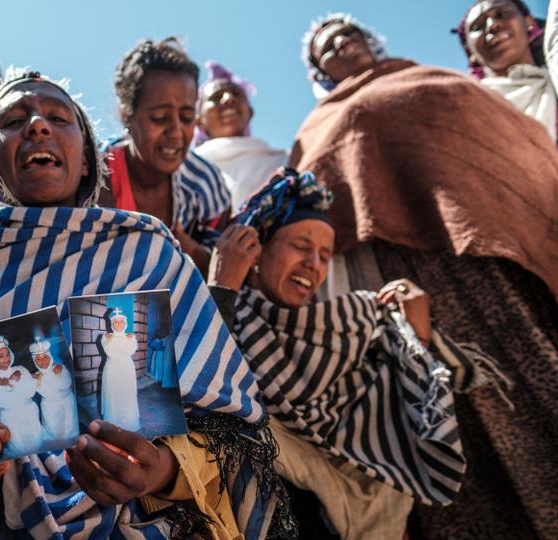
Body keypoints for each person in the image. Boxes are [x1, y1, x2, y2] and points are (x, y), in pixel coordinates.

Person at [0, 70, 293, 540]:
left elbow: (228, 430)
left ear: (87, 161)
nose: (38, 125)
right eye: (12, 121)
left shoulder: (148, 249)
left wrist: (161, 470)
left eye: (59, 118)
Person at [294, 14, 558, 539]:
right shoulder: (314, 128)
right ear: (320, 70)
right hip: (391, 285)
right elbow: (314, 214)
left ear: (370, 41)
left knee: (524, 383)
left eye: (348, 35)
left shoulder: (432, 79)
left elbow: (508, 140)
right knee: (440, 413)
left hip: (480, 258)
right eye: (328, 47)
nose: (342, 44)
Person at [210, 169, 507, 539]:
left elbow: (408, 412)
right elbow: (202, 398)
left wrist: (418, 337)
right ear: (257, 249)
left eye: (325, 255)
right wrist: (222, 287)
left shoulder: (348, 327)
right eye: (301, 245)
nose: (314, 264)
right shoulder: (219, 317)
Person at [99, 38, 231, 276]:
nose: (176, 132)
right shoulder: (94, 178)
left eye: (187, 117)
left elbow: (225, 270)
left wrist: (194, 254)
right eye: (160, 117)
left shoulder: (205, 184)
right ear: (126, 115)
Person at [455, 0, 557, 140]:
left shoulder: (553, 80)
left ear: (529, 23)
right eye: (477, 27)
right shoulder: (461, 107)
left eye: (503, 14)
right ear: (469, 51)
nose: (492, 25)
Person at [193, 61, 288, 207]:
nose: (229, 99)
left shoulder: (285, 161)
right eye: (216, 97)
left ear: (250, 112)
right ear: (199, 121)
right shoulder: (184, 168)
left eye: (236, 94)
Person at [0, 335, 43, 457]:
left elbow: (31, 390)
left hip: (29, 412)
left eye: (7, 354)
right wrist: (14, 382)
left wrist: (9, 383)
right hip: (9, 418)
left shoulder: (20, 369)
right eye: (1, 356)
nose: (6, 358)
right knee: (19, 450)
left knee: (38, 445)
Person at [98, 308, 141, 432]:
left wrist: (128, 339)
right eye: (115, 322)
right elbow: (110, 353)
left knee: (126, 394)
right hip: (111, 370)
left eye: (121, 321)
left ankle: (129, 423)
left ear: (125, 323)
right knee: (112, 395)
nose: (118, 324)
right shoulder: (105, 337)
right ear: (112, 323)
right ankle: (112, 424)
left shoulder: (131, 337)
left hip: (126, 369)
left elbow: (130, 351)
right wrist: (108, 339)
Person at [29, 337, 78, 442]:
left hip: (67, 403)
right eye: (38, 359)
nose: (42, 361)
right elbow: (46, 392)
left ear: (50, 357)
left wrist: (58, 374)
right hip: (50, 407)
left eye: (45, 357)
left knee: (70, 428)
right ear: (34, 361)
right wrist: (34, 379)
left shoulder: (60, 368)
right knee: (54, 432)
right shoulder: (35, 376)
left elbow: (66, 384)